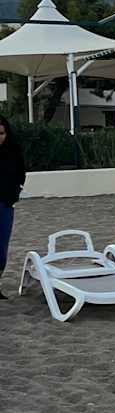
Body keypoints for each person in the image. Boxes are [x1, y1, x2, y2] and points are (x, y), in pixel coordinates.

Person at [0, 115, 26, 298]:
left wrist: (16, 192)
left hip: (5, 205)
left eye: (1, 133)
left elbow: (20, 173)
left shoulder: (14, 151)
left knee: (1, 248)